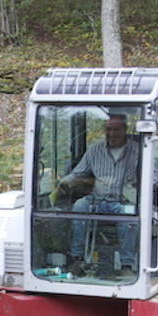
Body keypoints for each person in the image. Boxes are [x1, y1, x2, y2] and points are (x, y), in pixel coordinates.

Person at [55, 114, 140, 273]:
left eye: (116, 129)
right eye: (108, 129)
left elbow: (154, 176)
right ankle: (77, 258)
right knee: (79, 206)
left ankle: (127, 265)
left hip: (123, 201)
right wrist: (61, 183)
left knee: (129, 215)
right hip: (97, 200)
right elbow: (77, 173)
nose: (112, 134)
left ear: (125, 130)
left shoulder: (138, 150)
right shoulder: (95, 150)